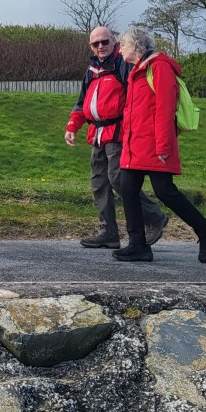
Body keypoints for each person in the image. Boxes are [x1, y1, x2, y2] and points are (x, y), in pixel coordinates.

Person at [114, 27, 206, 263]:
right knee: (127, 188)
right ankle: (138, 245)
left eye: (122, 44)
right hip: (135, 145)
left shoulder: (160, 67)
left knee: (165, 191)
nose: (120, 49)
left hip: (154, 145)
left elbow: (165, 110)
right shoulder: (137, 71)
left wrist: (164, 146)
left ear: (136, 45)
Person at [65, 26, 169, 250]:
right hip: (98, 133)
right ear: (91, 46)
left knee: (118, 179)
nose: (101, 47)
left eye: (105, 42)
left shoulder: (122, 64)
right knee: (99, 183)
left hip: (118, 132)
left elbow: (135, 96)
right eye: (96, 44)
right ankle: (108, 232)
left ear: (114, 41)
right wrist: (73, 126)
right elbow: (82, 102)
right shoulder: (91, 70)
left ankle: (154, 217)